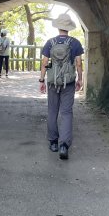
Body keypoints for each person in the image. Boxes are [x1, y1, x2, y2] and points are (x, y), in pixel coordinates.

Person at [39, 13, 84, 160]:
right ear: (68, 28)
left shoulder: (50, 43)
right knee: (66, 113)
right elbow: (78, 63)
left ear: (58, 27)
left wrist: (41, 80)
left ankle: (53, 142)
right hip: (68, 82)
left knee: (52, 111)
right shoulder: (75, 43)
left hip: (52, 82)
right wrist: (80, 79)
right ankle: (64, 145)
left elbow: (46, 62)